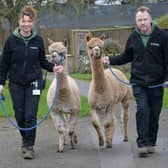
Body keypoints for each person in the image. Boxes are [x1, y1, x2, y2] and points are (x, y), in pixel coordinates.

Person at [102, 6, 168, 157]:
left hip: (157, 82)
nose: (142, 23)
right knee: (142, 110)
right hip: (139, 81)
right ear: (136, 22)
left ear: (150, 19)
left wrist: (166, 78)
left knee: (154, 113)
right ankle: (142, 144)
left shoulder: (162, 36)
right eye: (139, 20)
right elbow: (127, 56)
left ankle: (151, 141)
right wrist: (110, 59)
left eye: (145, 19)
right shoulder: (133, 37)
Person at [0, 5, 63, 159]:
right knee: (20, 115)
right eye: (23, 21)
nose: (26, 24)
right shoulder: (10, 41)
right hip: (15, 83)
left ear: (32, 23)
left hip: (34, 83)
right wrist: (1, 83)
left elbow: (42, 61)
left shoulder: (38, 40)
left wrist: (53, 67)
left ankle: (29, 146)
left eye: (29, 21)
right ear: (19, 22)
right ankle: (25, 137)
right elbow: (4, 64)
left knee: (30, 115)